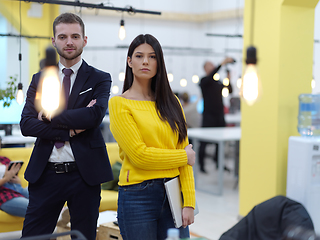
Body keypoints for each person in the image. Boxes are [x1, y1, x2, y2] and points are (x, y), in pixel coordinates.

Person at [20, 13, 113, 240]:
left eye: (74, 36)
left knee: (83, 237)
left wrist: (50, 115)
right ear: (54, 41)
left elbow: (93, 117)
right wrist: (69, 130)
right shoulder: (39, 79)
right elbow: (27, 124)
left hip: (84, 175)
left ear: (84, 40)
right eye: (62, 37)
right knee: (32, 237)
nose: (69, 42)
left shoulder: (99, 78)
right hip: (46, 174)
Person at [109, 34, 196, 240]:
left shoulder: (173, 102)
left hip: (174, 193)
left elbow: (185, 154)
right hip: (137, 196)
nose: (146, 61)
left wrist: (189, 202)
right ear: (129, 62)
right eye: (139, 56)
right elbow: (140, 156)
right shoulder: (119, 104)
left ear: (159, 62)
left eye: (152, 56)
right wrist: (182, 157)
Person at [198, 58, 234, 173]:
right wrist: (221, 64)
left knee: (220, 143)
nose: (212, 66)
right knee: (203, 142)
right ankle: (201, 165)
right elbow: (212, 75)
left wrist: (229, 78)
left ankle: (219, 163)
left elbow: (230, 90)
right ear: (205, 68)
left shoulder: (217, 82)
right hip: (208, 117)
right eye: (210, 65)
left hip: (219, 116)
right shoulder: (204, 81)